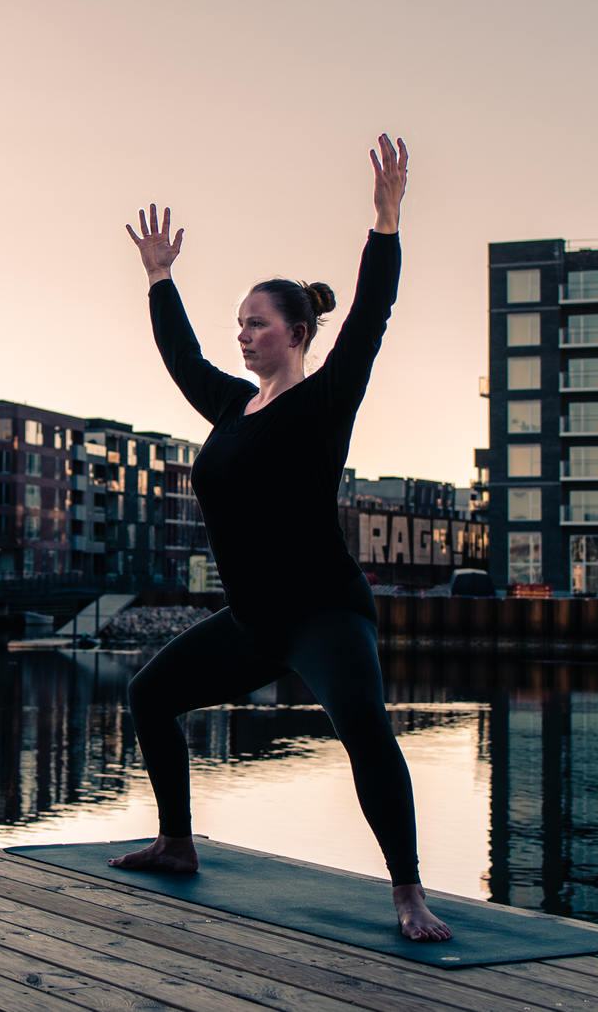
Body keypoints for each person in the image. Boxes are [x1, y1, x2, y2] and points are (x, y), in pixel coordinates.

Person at [112, 133, 451, 943]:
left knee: (366, 732)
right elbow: (181, 355)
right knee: (150, 696)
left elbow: (372, 315)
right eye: (240, 324)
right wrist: (161, 279)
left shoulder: (324, 401)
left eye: (257, 324)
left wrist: (386, 223)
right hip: (256, 620)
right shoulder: (232, 408)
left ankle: (408, 893)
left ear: (295, 333)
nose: (243, 335)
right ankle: (176, 841)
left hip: (325, 613)